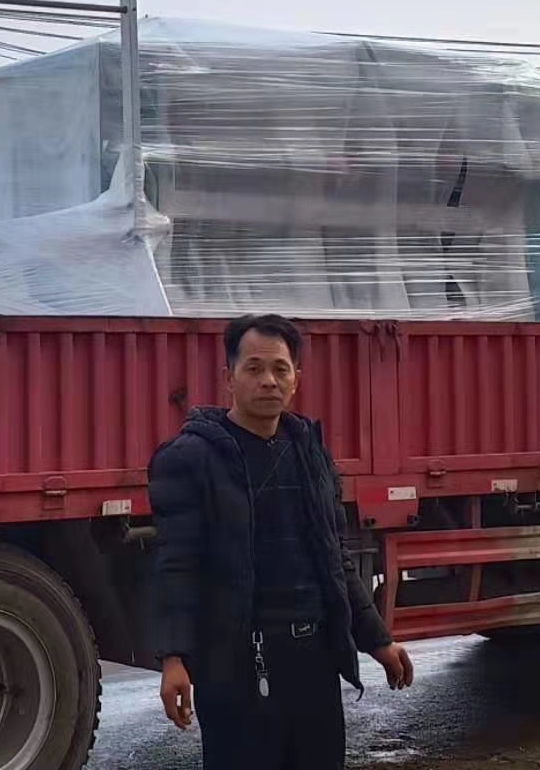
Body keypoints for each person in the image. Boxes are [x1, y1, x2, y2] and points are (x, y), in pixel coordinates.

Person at [147, 313, 412, 769]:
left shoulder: (309, 453)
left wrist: (378, 640)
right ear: (229, 378)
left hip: (313, 663)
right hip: (236, 670)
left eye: (280, 369)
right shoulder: (191, 459)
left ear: (296, 380)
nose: (268, 380)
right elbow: (177, 566)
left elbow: (335, 558)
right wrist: (173, 658)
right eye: (254, 368)